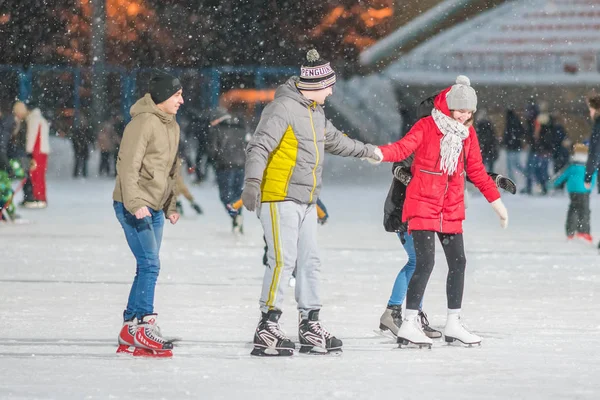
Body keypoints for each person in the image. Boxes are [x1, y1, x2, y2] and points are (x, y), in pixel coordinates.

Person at [242, 49, 380, 356]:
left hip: (306, 199)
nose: (332, 91)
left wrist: (368, 151)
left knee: (310, 261)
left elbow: (335, 141)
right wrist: (252, 183)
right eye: (329, 86)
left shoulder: (315, 112)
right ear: (316, 86)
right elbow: (259, 147)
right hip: (279, 196)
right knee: (283, 260)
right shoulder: (283, 109)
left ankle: (310, 324)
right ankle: (268, 326)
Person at [376, 75, 508, 348]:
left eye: (470, 111)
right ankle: (409, 323)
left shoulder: (467, 133)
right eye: (461, 110)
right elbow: (402, 149)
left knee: (458, 262)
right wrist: (378, 153)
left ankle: (454, 323)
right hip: (422, 203)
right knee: (424, 263)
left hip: (451, 206)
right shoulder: (427, 126)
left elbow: (476, 171)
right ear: (448, 107)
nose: (465, 116)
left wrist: (497, 202)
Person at [112, 71, 183, 357]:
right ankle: (143, 324)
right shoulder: (142, 123)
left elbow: (171, 170)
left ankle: (130, 326)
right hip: (134, 205)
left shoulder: (171, 125)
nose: (182, 100)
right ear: (164, 96)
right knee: (151, 264)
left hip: (155, 206)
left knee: (146, 265)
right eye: (177, 95)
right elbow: (127, 166)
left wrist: (171, 205)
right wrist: (134, 202)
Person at [208, 107, 248, 233]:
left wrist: (214, 160)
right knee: (237, 193)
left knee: (225, 195)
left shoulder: (217, 129)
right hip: (241, 165)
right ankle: (238, 217)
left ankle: (235, 216)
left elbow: (213, 150)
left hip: (225, 166)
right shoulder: (241, 127)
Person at [554, 143, 596, 243]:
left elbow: (562, 176)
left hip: (573, 190)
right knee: (584, 211)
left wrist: (554, 184)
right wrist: (591, 185)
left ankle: (570, 232)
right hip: (585, 190)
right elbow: (594, 176)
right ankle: (584, 231)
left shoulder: (572, 166)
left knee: (573, 209)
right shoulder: (590, 167)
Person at [12, 102, 50, 208]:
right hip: (40, 150)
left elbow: (32, 136)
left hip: (37, 150)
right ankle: (39, 197)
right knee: (38, 174)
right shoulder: (37, 118)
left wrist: (28, 151)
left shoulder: (33, 119)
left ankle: (38, 198)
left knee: (36, 174)